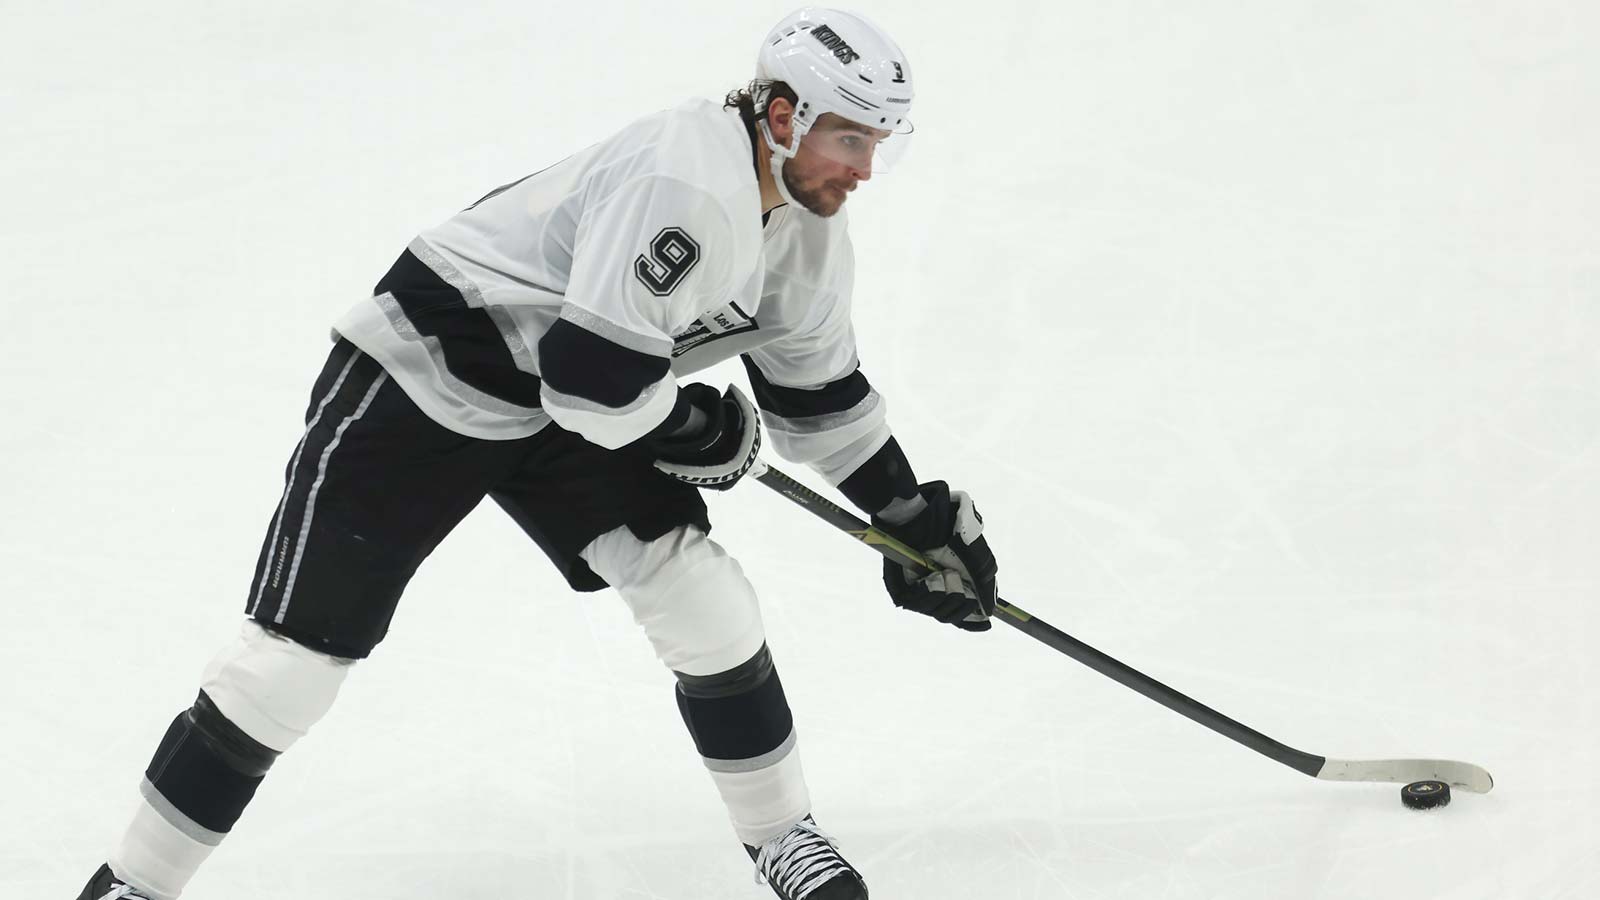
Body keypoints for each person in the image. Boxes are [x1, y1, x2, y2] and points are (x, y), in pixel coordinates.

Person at [75, 8, 998, 900]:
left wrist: (907, 515)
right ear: (786, 117)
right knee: (290, 666)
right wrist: (694, 433)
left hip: (569, 407)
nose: (867, 168)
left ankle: (780, 835)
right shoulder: (687, 180)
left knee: (706, 603)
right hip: (428, 374)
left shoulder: (806, 230)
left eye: (881, 142)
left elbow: (818, 396)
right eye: (851, 139)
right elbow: (592, 378)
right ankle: (134, 885)